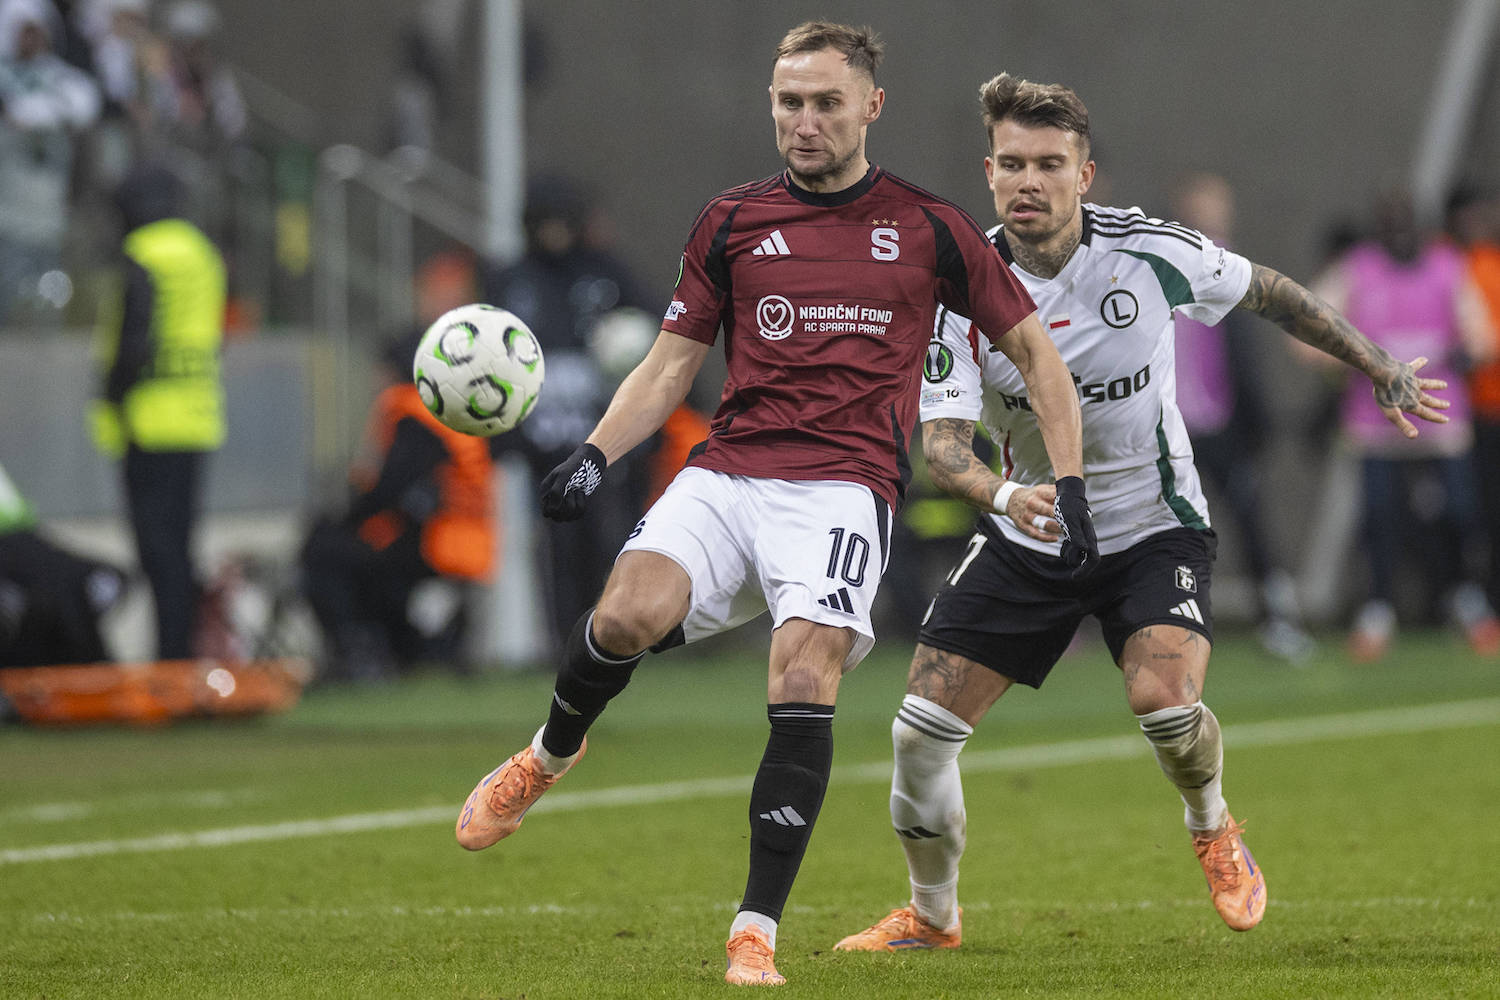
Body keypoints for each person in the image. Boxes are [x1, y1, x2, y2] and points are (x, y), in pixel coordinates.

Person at [453, 23, 1094, 987]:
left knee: (801, 680)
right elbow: (672, 364)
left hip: (843, 491)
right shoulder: (732, 221)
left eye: (827, 102)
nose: (805, 121)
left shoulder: (931, 227)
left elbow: (1041, 360)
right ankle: (548, 754)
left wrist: (1073, 483)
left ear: (870, 107)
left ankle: (755, 928)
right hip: (731, 471)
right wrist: (594, 454)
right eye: (789, 102)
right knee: (621, 616)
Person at [833, 72, 1450, 953]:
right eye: (1012, 164)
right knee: (918, 737)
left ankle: (1211, 821)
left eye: (1050, 163)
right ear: (989, 171)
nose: (1028, 182)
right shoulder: (960, 293)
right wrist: (1012, 499)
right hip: (1031, 532)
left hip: (1153, 526)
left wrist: (1377, 364)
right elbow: (942, 448)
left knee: (1163, 703)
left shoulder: (1153, 250)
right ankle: (932, 918)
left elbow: (1270, 291)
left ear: (1085, 175)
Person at [1301, 188, 1498, 660]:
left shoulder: (1447, 267)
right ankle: (1377, 612)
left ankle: (1468, 601)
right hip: (1374, 425)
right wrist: (1350, 361)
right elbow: (1306, 330)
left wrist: (1463, 351)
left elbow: (1483, 335)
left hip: (1441, 419)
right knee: (1379, 522)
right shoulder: (1358, 269)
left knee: (1461, 515)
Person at [483, 174, 663, 657]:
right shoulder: (510, 279)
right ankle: (564, 646)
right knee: (554, 551)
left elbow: (665, 334)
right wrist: (503, 439)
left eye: (564, 222)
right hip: (543, 446)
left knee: (613, 540)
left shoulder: (607, 273)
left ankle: (615, 640)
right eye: (547, 222)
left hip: (606, 443)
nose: (555, 233)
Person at [1169, 172, 1314, 662]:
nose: (1212, 215)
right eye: (1203, 206)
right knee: (1168, 530)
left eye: (1218, 207)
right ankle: (1164, 624)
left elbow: (1246, 354)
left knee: (1253, 525)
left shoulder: (1233, 269)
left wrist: (1257, 423)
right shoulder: (1165, 268)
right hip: (1174, 430)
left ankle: (1277, 620)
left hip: (1224, 426)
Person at [299, 328, 496, 683]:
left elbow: (393, 486)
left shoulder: (411, 410)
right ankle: (403, 646)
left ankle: (358, 652)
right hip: (470, 542)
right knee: (365, 561)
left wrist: (345, 520)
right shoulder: (450, 405)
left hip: (440, 542)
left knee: (322, 552)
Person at [90, 160, 226, 661]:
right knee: (180, 548)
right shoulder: (202, 253)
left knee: (156, 550)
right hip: (198, 415)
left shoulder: (142, 253)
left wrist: (111, 397)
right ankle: (181, 653)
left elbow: (133, 340)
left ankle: (171, 660)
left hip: (148, 420)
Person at [0, 0, 100, 321]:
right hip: (10, 194)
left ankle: (43, 322)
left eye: (37, 32)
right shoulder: (5, 73)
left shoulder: (58, 76)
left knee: (47, 271)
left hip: (48, 195)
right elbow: (16, 111)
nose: (32, 40)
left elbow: (84, 104)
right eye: (25, 32)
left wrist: (38, 116)